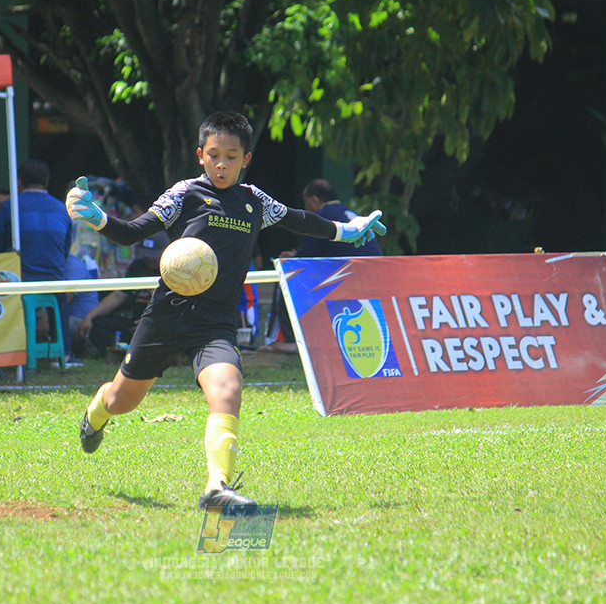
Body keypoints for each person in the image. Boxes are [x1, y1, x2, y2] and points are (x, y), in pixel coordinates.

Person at [67, 111, 385, 509]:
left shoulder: (254, 201)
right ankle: (95, 415)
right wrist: (97, 218)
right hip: (166, 315)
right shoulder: (185, 193)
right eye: (214, 155)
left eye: (231, 156)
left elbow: (300, 221)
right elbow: (134, 231)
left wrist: (346, 231)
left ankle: (217, 488)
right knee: (122, 401)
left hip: (215, 322)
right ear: (201, 155)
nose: (222, 164)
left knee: (228, 390)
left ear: (245, 159)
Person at [263, 178, 384, 351]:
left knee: (287, 275)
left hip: (346, 277)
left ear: (314, 200)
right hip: (374, 274)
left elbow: (305, 257)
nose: (306, 207)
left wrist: (293, 256)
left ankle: (287, 341)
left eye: (306, 202)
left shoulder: (321, 216)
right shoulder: (349, 212)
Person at [0, 161, 78, 365]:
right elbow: (65, 251)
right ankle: (64, 353)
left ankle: (5, 354)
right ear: (46, 182)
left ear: (19, 182)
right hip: (55, 279)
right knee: (60, 300)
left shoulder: (10, 206)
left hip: (21, 279)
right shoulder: (62, 209)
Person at [77, 232, 168, 355]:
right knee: (97, 325)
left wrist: (149, 323)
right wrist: (90, 316)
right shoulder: (138, 266)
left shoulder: (171, 270)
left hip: (159, 323)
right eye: (146, 254)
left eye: (153, 255)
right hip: (133, 323)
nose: (148, 259)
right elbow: (118, 295)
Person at [63, 252, 100, 359]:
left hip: (82, 320)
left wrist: (45, 320)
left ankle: (68, 354)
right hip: (69, 316)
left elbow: (67, 298)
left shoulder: (72, 264)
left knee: (57, 325)